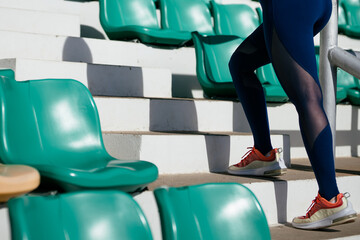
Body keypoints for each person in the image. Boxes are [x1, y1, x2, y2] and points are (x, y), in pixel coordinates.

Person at [227, 0, 357, 229]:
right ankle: (263, 153)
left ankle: (330, 198)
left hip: (287, 5)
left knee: (307, 97)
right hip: (317, 6)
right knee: (240, 63)